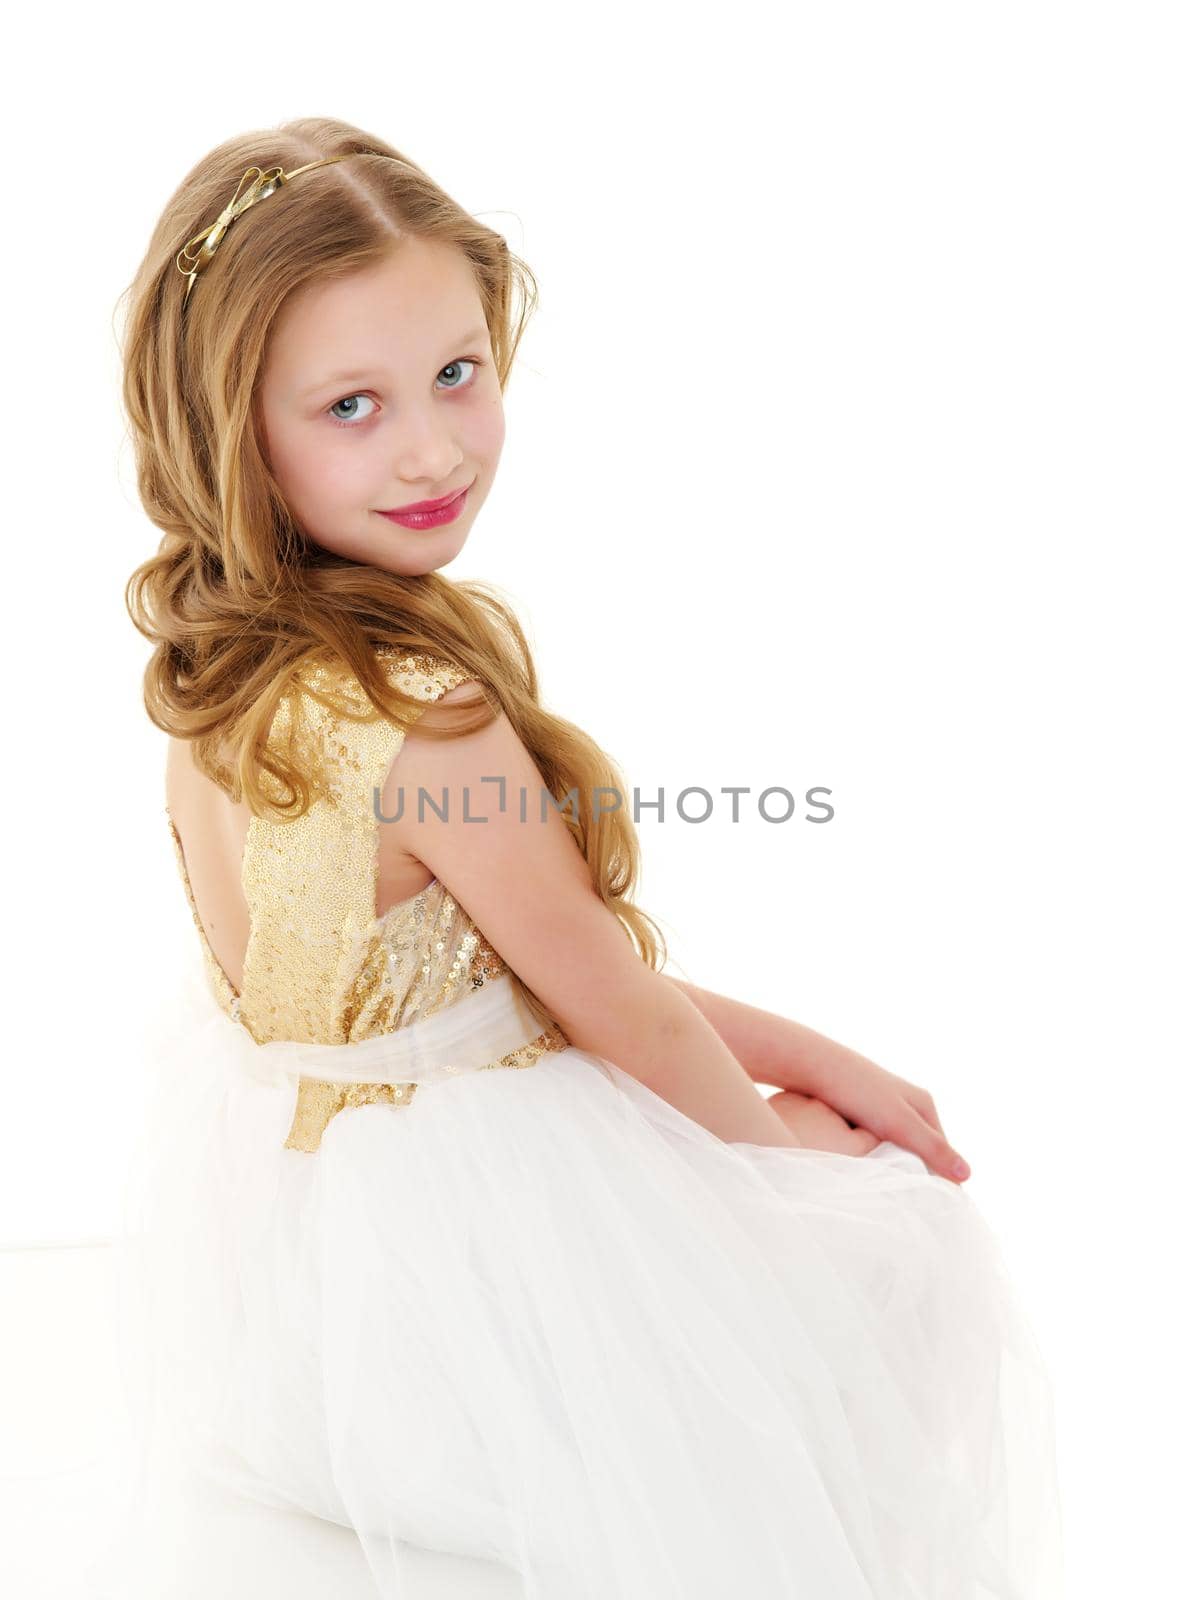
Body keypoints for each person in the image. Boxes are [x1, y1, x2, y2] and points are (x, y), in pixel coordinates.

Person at [100, 116, 1064, 1598]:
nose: (431, 447)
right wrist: (793, 1197)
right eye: (350, 405)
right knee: (890, 1203)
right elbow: (608, 1003)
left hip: (317, 1324)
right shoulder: (422, 714)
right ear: (233, 428)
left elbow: (479, 990)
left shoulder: (221, 682)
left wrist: (802, 1050)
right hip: (475, 1317)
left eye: (457, 374)